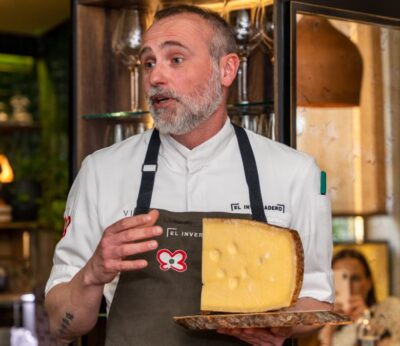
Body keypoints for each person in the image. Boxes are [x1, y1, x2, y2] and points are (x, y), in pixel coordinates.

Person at [45, 5, 334, 345]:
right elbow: (61, 323)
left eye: (176, 59)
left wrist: (280, 326)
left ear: (226, 70)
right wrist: (92, 274)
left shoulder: (295, 173)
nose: (155, 77)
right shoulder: (101, 171)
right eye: (149, 62)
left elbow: (317, 299)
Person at [318, 249, 400, 346]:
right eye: (340, 279)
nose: (349, 286)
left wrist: (366, 320)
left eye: (355, 279)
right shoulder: (323, 324)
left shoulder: (391, 309)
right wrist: (328, 331)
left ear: (369, 283)